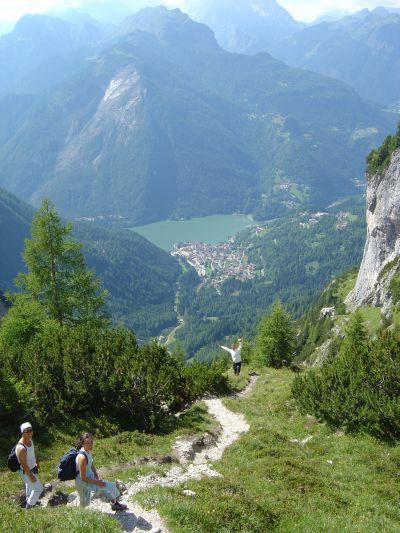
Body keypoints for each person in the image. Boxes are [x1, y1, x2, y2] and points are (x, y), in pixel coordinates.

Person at [75, 432, 128, 511]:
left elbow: (91, 464)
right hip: (83, 482)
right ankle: (79, 515)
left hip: (90, 478)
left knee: (108, 486)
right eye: (87, 443)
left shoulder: (87, 451)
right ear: (82, 444)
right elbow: (83, 477)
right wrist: (97, 482)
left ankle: (115, 504)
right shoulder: (82, 457)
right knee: (84, 502)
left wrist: (97, 477)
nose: (90, 445)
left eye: (91, 442)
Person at [16, 422, 43, 509]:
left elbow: (33, 453)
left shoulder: (30, 440)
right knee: (39, 488)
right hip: (26, 472)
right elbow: (23, 464)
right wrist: (31, 476)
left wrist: (37, 463)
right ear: (22, 432)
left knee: (30, 486)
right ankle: (30, 506)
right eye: (26, 431)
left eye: (30, 430)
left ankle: (29, 500)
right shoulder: (21, 448)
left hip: (32, 468)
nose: (29, 432)